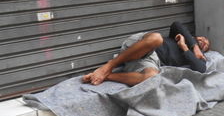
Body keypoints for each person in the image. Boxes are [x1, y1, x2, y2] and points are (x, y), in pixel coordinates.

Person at [82, 21, 210, 86]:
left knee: (152, 78)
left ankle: (106, 76)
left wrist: (185, 48)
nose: (204, 41)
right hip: (142, 44)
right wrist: (193, 45)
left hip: (149, 61)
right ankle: (109, 66)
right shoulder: (183, 36)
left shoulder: (199, 58)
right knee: (157, 38)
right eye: (203, 38)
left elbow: (201, 69)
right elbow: (176, 24)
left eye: (206, 45)